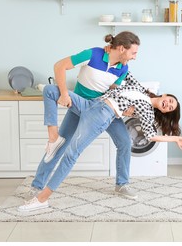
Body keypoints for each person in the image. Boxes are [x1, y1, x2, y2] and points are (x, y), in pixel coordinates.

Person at [18, 73, 182, 212]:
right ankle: (39, 182)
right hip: (93, 104)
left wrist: (175, 138)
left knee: (123, 143)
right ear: (165, 95)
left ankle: (121, 184)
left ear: (164, 111)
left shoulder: (147, 112)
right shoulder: (141, 89)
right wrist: (112, 50)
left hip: (106, 115)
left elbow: (151, 136)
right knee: (50, 91)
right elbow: (123, 73)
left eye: (169, 108)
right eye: (170, 101)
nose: (168, 104)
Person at [27, 31, 140, 202]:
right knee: (59, 146)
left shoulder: (123, 69)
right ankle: (37, 186)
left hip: (102, 110)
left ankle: (122, 184)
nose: (134, 57)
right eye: (133, 53)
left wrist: (125, 108)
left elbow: (113, 93)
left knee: (125, 141)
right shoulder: (94, 54)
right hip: (79, 106)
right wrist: (64, 94)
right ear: (122, 49)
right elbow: (60, 66)